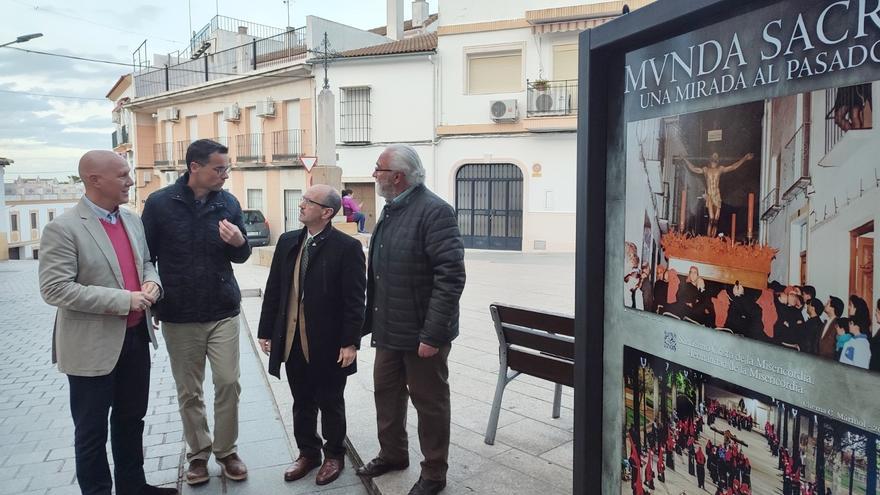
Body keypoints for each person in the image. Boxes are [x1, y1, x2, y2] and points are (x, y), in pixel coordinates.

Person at [38, 151, 176, 495]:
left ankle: (133, 487)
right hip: (91, 347)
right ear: (94, 180)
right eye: (123, 175)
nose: (130, 180)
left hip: (135, 337)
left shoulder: (131, 219)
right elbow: (55, 289)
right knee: (91, 431)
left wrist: (152, 284)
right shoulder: (63, 228)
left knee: (131, 421)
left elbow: (145, 262)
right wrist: (125, 300)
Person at [356, 144, 466, 495]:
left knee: (430, 403)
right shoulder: (391, 210)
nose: (374, 175)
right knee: (386, 394)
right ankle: (393, 454)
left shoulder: (435, 212)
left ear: (398, 177)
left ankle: (434, 472)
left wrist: (433, 335)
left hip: (422, 333)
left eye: (379, 169)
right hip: (389, 328)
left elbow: (450, 277)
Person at [141, 139, 251, 485]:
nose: (225, 175)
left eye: (226, 168)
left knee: (229, 382)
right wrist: (154, 302)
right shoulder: (159, 204)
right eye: (219, 168)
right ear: (195, 168)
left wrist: (239, 242)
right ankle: (199, 454)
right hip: (179, 313)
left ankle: (228, 451)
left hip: (222, 309)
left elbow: (242, 255)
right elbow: (146, 259)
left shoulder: (228, 203)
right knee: (189, 391)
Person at [257, 185, 366, 486]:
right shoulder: (288, 241)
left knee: (331, 400)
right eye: (303, 200)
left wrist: (350, 342)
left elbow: (355, 301)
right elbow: (275, 289)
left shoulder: (346, 248)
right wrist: (266, 330)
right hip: (291, 339)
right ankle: (308, 452)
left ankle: (334, 454)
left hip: (328, 342)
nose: (301, 205)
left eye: (308, 201)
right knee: (301, 399)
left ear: (327, 212)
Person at [680, 151, 754, 237]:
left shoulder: (720, 169)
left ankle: (712, 238)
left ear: (718, 160)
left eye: (717, 156)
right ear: (710, 158)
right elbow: (693, 168)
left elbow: (733, 166)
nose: (715, 158)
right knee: (711, 218)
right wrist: (685, 159)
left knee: (715, 220)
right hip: (710, 196)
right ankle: (708, 237)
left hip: (717, 195)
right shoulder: (705, 170)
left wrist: (745, 158)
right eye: (714, 156)